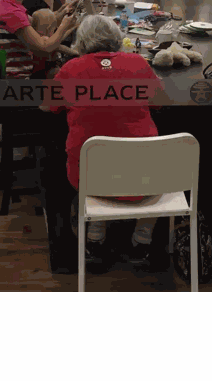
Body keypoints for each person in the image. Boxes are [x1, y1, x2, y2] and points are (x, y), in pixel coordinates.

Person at [49, 15, 161, 268]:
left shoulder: (71, 69)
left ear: (81, 42)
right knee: (155, 166)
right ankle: (142, 238)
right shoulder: (138, 63)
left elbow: (48, 106)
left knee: (94, 165)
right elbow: (159, 101)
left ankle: (96, 235)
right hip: (145, 177)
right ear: (117, 38)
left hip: (89, 176)